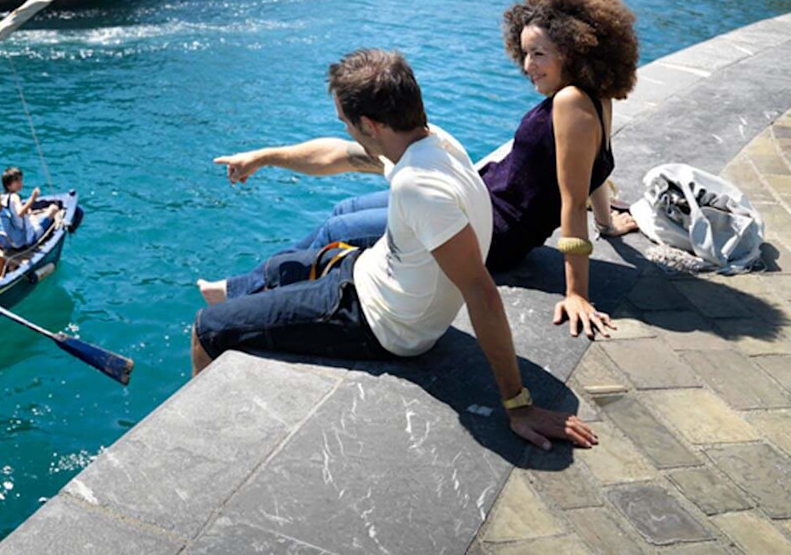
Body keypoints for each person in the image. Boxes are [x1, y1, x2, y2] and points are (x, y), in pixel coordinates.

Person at [190, 50, 597, 452]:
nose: (346, 131)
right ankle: (234, 292)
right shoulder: (429, 141)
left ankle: (199, 446)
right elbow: (341, 155)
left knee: (208, 328)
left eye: (346, 123)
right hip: (372, 273)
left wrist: (518, 405)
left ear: (369, 124)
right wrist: (263, 157)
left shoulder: (419, 187)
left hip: (376, 322)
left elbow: (481, 291)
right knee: (282, 266)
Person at [233, 0, 641, 339]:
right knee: (343, 209)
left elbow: (573, 198)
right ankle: (244, 287)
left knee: (338, 229)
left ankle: (239, 294)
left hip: (490, 233)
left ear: (573, 49)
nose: (528, 66)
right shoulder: (595, 97)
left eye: (539, 54)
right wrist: (606, 223)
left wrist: (576, 294)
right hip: (481, 197)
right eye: (525, 53)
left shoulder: (570, 103)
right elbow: (592, 171)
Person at [0, 166, 62, 254]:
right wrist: (33, 197)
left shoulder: (3, 197)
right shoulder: (15, 197)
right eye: (17, 181)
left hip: (12, 240)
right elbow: (19, 213)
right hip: (26, 238)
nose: (20, 183)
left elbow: (14, 213)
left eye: (20, 180)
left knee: (30, 214)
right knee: (54, 209)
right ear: (8, 185)